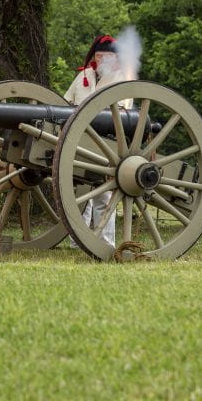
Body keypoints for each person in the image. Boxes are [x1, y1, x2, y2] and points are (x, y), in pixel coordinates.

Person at [63, 35, 131, 246]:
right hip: (78, 141)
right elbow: (65, 103)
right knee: (78, 195)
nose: (101, 61)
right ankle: (78, 242)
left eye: (106, 57)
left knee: (102, 197)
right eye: (98, 56)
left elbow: (122, 114)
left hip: (105, 144)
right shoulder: (84, 76)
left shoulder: (122, 79)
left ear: (116, 59)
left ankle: (104, 244)